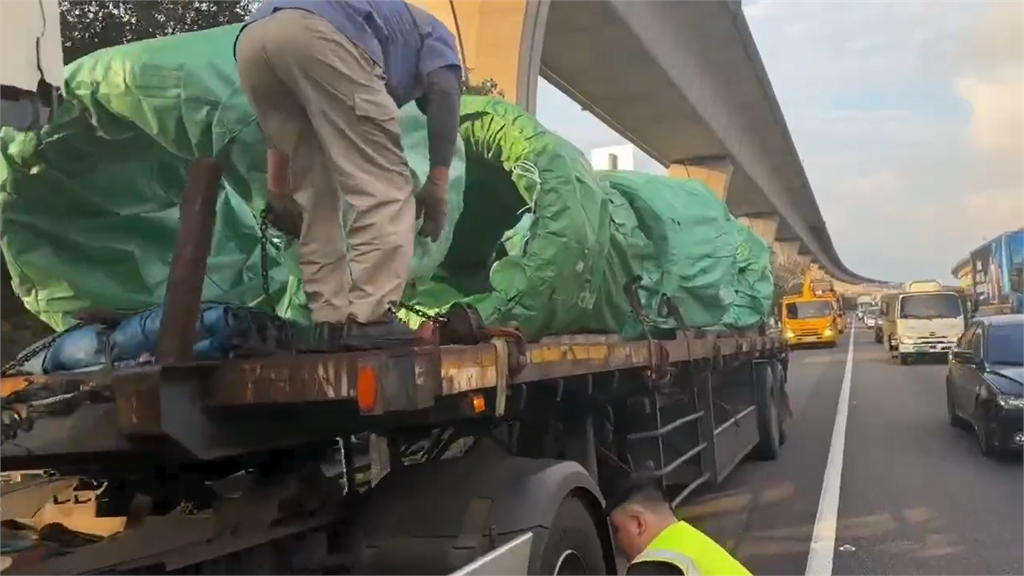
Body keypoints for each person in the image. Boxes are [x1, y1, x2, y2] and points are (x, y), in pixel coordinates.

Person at [235, 0, 461, 350]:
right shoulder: (437, 35)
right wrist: (437, 185)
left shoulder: (385, 18)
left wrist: (278, 186)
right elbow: (446, 92)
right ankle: (371, 317)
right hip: (323, 36)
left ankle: (330, 320)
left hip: (253, 39)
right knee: (385, 186)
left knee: (315, 195)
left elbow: (281, 129)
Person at [609, 485, 752, 576]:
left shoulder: (652, 566)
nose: (616, 541)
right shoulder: (688, 540)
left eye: (617, 530)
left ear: (638, 524)